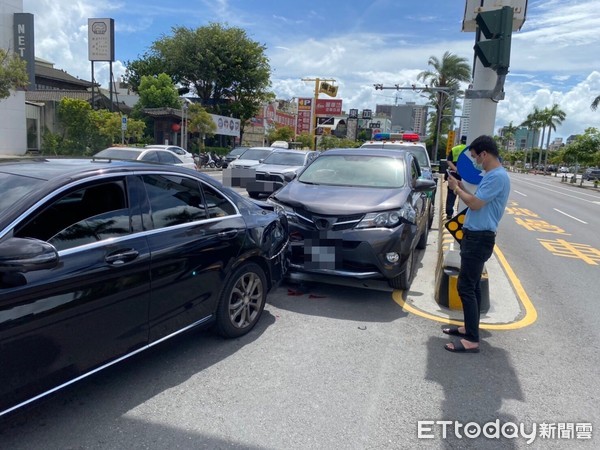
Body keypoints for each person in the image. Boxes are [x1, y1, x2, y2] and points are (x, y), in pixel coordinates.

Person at [444, 135, 510, 353]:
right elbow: (477, 199)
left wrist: (455, 188)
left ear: (484, 154)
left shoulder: (496, 177)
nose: (473, 161)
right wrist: (461, 185)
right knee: (472, 285)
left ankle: (472, 339)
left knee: (466, 286)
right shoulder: (492, 175)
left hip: (479, 237)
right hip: (475, 236)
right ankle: (469, 328)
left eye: (474, 156)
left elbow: (474, 204)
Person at [445, 136, 467, 218]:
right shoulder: (469, 149)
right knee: (463, 194)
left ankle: (449, 213)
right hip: (465, 177)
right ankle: (460, 212)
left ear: (461, 140)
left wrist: (456, 169)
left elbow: (448, 161)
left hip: (454, 174)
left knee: (451, 194)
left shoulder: (455, 149)